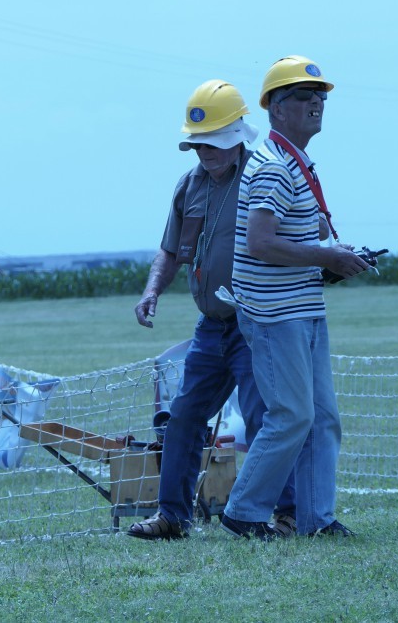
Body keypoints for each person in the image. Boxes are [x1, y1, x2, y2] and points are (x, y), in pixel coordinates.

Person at [127, 80, 297, 541]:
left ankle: (286, 515)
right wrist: (152, 292)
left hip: (255, 322)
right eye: (198, 144)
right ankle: (173, 516)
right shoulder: (190, 185)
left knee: (268, 416)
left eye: (215, 143)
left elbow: (301, 233)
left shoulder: (264, 172)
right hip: (211, 326)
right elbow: (169, 251)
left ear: (240, 134)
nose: (205, 153)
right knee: (183, 416)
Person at [218, 55, 371, 540]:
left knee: (322, 418)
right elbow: (260, 243)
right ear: (275, 109)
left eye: (320, 97)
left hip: (302, 308)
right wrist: (326, 258)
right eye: (303, 97)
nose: (315, 105)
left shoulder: (294, 162)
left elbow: (292, 238)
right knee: (293, 415)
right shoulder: (271, 167)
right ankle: (243, 512)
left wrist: (333, 254)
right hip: (273, 313)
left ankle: (317, 520)